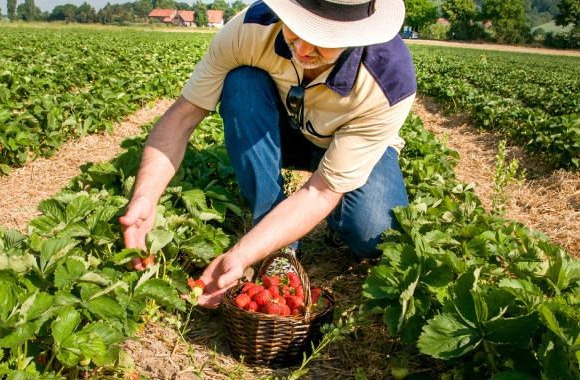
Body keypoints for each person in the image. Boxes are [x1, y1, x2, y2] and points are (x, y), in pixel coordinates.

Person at [119, 0, 417, 308]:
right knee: (242, 82)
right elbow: (181, 118)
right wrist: (145, 197)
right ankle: (278, 241)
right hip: (285, 128)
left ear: (356, 34)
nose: (302, 48)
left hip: (350, 144)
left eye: (323, 40)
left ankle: (337, 217)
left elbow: (321, 191)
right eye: (296, 27)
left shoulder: (390, 79)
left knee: (375, 233)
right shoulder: (250, 28)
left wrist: (242, 252)